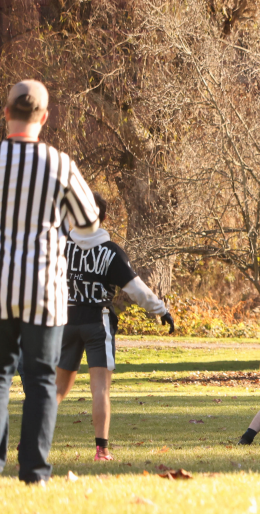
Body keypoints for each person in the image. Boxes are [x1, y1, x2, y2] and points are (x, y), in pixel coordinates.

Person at [0, 80, 102, 484]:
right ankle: (35, 472)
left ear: (6, 113)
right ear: (44, 117)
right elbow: (89, 221)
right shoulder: (60, 164)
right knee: (41, 378)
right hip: (44, 288)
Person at [53, 192, 175, 461]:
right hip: (98, 322)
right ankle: (101, 450)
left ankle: (30, 440)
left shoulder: (61, 246)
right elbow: (137, 290)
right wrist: (162, 310)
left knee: (57, 389)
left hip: (67, 320)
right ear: (104, 218)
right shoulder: (111, 252)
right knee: (100, 388)